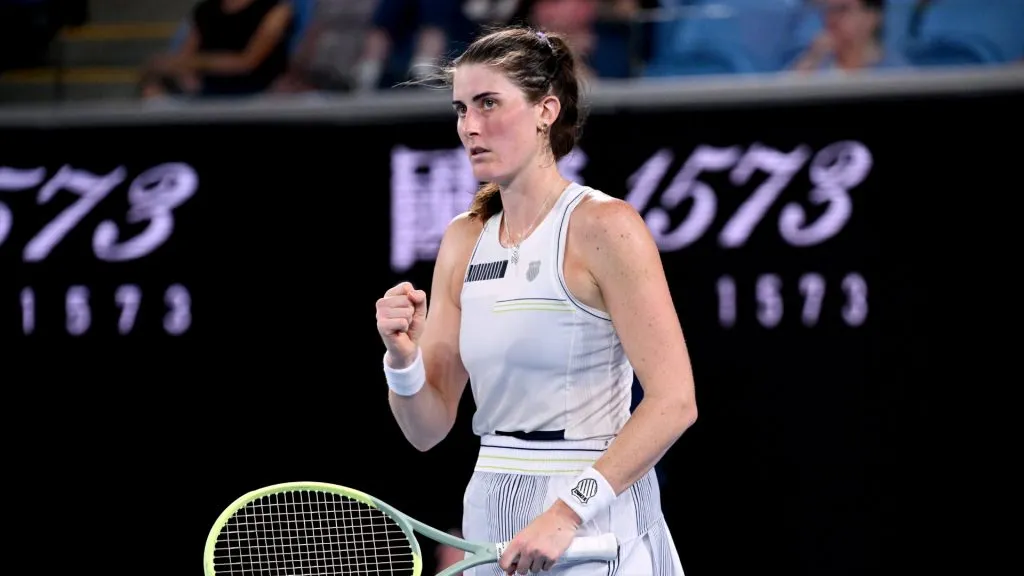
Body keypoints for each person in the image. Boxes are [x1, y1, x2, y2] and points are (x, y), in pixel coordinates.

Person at [375, 25, 697, 575]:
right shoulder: (463, 239)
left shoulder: (606, 226)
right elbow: (426, 430)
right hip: (491, 507)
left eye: (488, 104)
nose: (469, 127)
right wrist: (402, 361)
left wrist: (568, 511)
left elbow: (674, 401)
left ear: (546, 110)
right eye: (461, 109)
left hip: (594, 515)